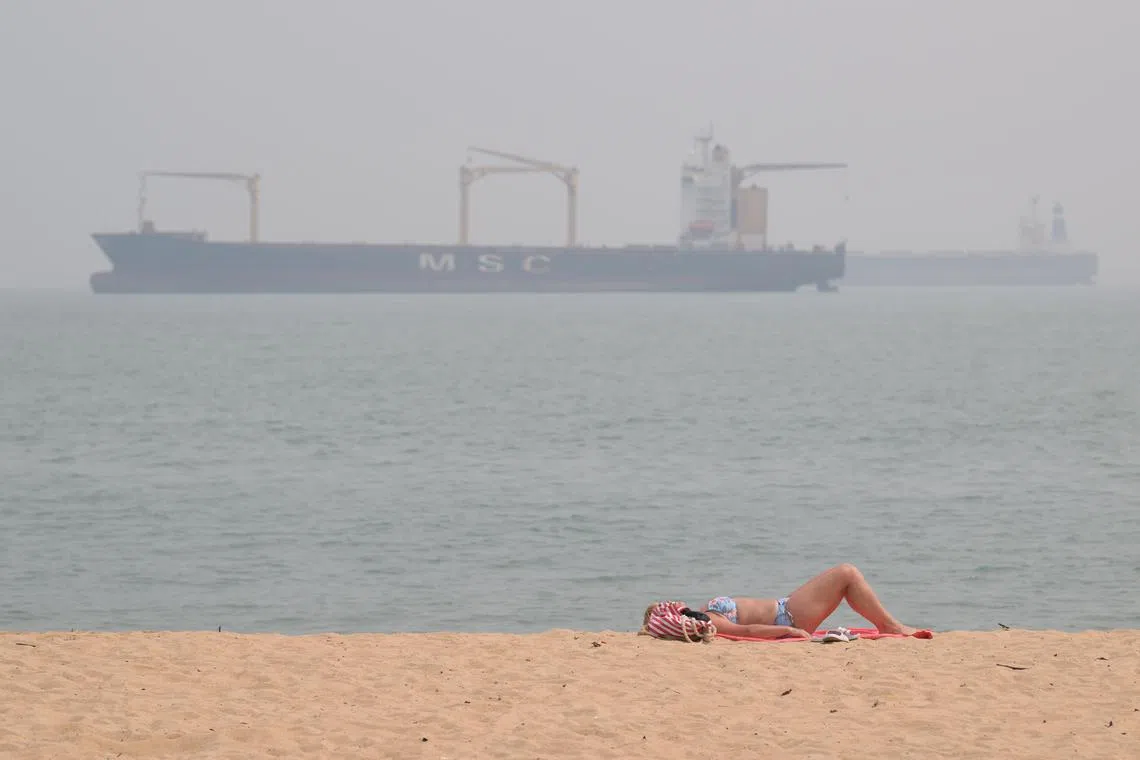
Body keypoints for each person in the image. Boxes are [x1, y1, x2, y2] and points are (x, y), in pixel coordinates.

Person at [694, 563, 919, 639]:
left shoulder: (706, 611)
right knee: (847, 573)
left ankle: (887, 623)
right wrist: (790, 631)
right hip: (788, 618)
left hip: (785, 605)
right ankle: (889, 626)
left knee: (842, 577)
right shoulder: (711, 622)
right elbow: (748, 631)